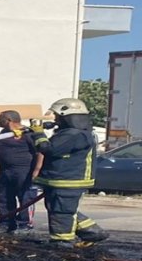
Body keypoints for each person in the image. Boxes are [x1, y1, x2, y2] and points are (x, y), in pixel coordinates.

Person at [29, 98, 109, 246]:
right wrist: (36, 132)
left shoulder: (74, 134)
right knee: (63, 209)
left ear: (68, 116)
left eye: (59, 117)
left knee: (62, 212)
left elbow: (49, 149)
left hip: (68, 180)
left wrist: (38, 132)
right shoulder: (70, 133)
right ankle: (91, 231)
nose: (57, 119)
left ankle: (62, 242)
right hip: (60, 179)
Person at [0, 110, 42, 233]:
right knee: (4, 198)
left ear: (8, 120)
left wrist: (37, 170)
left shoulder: (28, 133)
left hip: (24, 171)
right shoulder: (3, 133)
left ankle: (25, 226)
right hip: (5, 171)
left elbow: (41, 152)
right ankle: (6, 224)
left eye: (0, 118)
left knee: (25, 198)